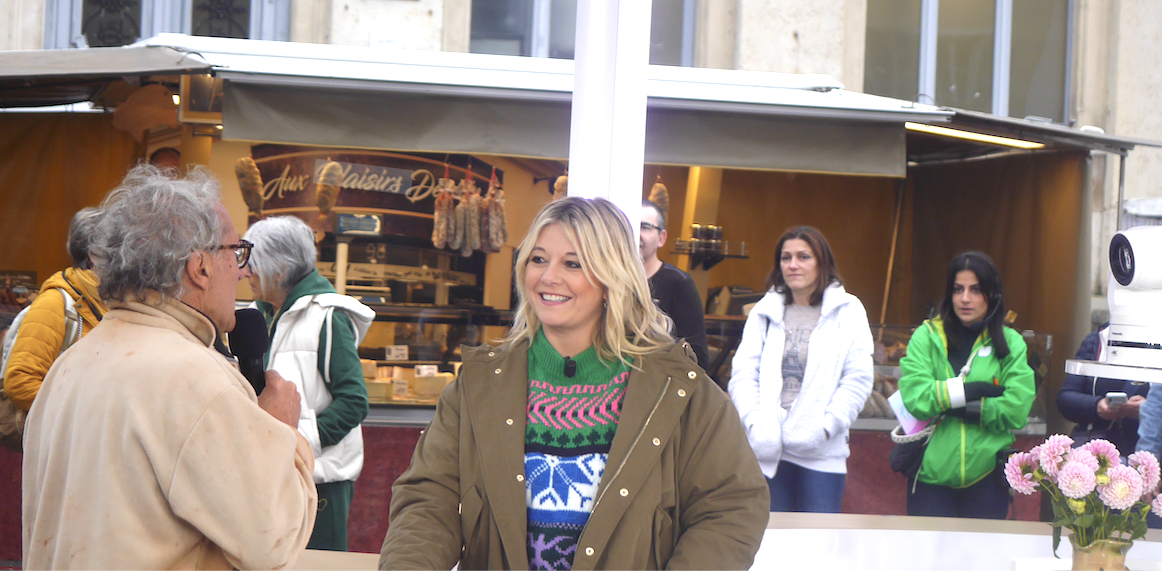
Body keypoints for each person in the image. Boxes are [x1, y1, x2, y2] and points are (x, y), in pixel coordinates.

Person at [380, 197, 769, 570]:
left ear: (612, 275)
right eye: (538, 259)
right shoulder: (479, 384)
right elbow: (429, 498)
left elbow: (731, 507)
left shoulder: (681, 390)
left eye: (573, 263)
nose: (548, 277)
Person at [22, 165, 318, 569]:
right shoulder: (195, 380)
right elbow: (274, 542)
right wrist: (284, 435)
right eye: (236, 251)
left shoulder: (70, 365)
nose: (242, 269)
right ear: (200, 268)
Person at [244, 214, 374, 551]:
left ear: (280, 270)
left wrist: (300, 444)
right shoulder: (257, 316)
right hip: (273, 473)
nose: (245, 272)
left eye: (253, 263)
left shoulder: (328, 317)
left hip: (322, 484)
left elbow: (354, 401)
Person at [728, 226, 874, 513]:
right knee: (771, 545)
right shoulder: (764, 312)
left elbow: (858, 379)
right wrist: (755, 424)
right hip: (768, 452)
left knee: (817, 548)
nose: (793, 265)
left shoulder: (848, 310)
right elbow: (743, 374)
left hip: (822, 455)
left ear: (822, 262)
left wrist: (826, 427)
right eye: (786, 257)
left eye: (803, 256)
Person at [897, 251, 1035, 519]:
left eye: (975, 290)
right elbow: (915, 399)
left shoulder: (1011, 343)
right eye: (958, 289)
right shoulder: (925, 337)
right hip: (929, 480)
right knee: (926, 561)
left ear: (992, 294)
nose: (965, 299)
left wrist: (950, 405)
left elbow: (1016, 410)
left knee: (980, 562)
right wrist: (972, 391)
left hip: (986, 482)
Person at [4, 207, 108, 412]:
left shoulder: (109, 301)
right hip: (62, 437)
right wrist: (79, 415)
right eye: (118, 248)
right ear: (93, 256)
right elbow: (20, 383)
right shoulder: (55, 302)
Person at [1057, 325, 1148, 456]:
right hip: (1097, 454)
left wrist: (1149, 411)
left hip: (1148, 451)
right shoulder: (1098, 339)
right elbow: (1065, 399)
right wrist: (1097, 406)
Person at [640, 199, 710, 368]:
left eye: (644, 227)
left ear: (661, 238)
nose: (635, 233)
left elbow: (697, 355)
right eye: (629, 226)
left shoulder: (679, 283)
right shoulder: (609, 280)